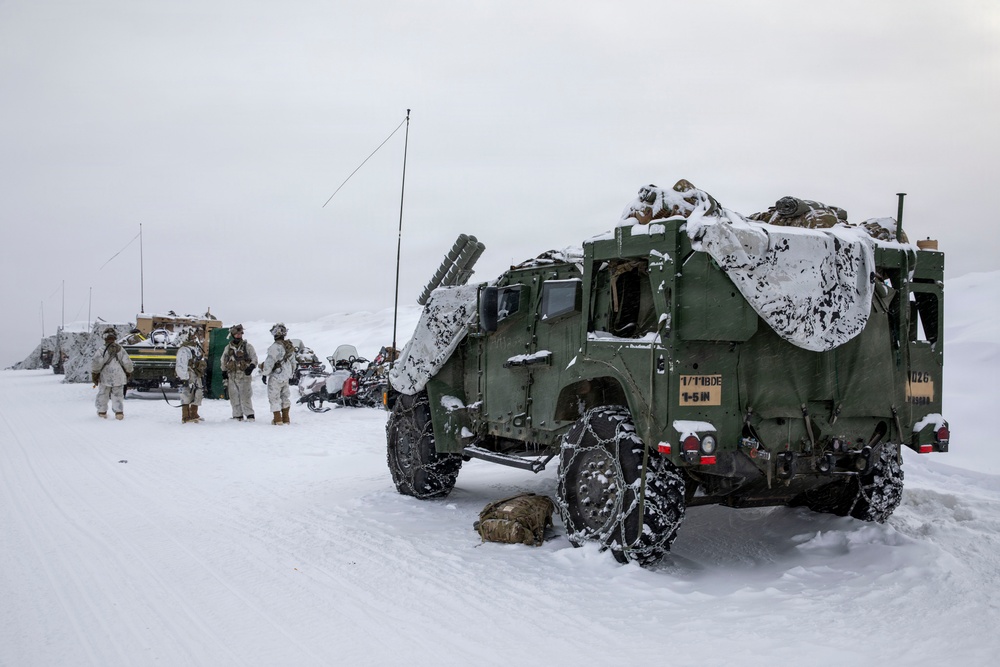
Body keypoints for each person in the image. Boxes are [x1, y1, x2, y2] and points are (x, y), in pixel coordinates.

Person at [91, 327, 134, 420]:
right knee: (118, 395)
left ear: (104, 337)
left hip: (105, 376)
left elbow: (96, 363)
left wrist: (95, 374)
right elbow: (127, 363)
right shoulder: (120, 349)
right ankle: (119, 413)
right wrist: (129, 371)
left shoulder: (101, 350)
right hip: (119, 376)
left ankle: (102, 412)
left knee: (103, 394)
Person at [220, 324, 257, 422]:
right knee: (234, 396)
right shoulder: (228, 348)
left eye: (240, 334)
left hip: (244, 375)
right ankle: (237, 416)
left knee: (245, 396)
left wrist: (251, 367)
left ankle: (250, 415)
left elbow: (254, 358)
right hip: (232, 376)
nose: (238, 335)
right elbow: (223, 360)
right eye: (236, 334)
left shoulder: (247, 346)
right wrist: (224, 372)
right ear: (233, 335)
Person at [260, 322, 296, 425]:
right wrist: (291, 374)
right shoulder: (289, 346)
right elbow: (294, 362)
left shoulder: (275, 347)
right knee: (285, 396)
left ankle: (277, 419)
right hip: (286, 376)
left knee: (274, 397)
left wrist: (264, 374)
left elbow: (270, 361)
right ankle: (286, 418)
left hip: (276, 375)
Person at [175, 328, 207, 423]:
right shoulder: (183, 350)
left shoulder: (195, 348)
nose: (195, 337)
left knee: (198, 394)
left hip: (196, 374)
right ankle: (186, 416)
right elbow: (181, 364)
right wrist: (184, 378)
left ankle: (194, 414)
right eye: (193, 335)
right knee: (186, 395)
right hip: (188, 374)